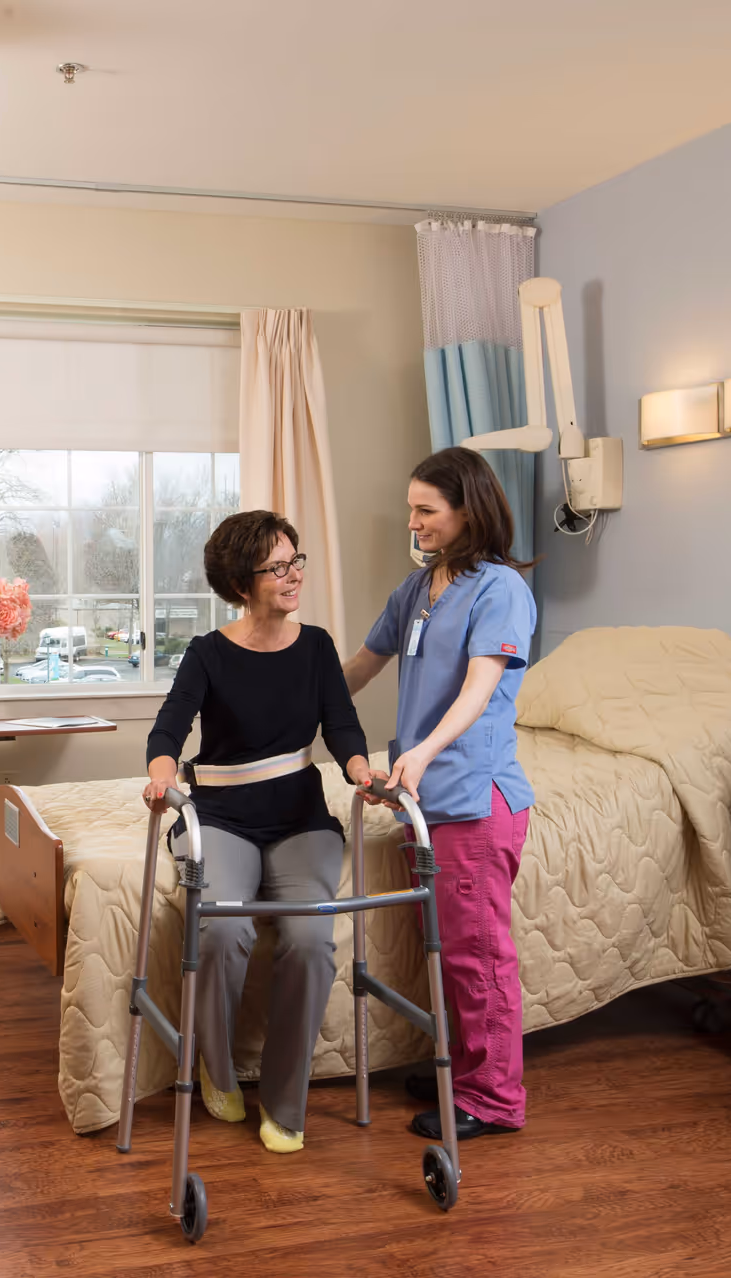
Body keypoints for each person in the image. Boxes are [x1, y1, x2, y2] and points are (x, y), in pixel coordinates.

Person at [145, 511, 374, 1154]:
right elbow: (168, 733)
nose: (293, 574)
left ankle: (285, 1103)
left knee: (309, 938)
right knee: (220, 927)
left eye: (295, 560)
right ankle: (216, 1069)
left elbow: (343, 726)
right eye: (278, 567)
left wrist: (360, 769)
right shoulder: (209, 654)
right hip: (224, 819)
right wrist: (162, 775)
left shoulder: (319, 646)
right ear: (242, 584)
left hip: (301, 820)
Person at [342, 446, 537, 1142]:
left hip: (472, 797)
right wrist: (289, 705)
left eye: (427, 511)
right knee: (444, 947)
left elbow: (480, 686)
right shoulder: (416, 589)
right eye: (411, 510)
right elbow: (360, 668)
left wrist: (421, 752)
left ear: (467, 510)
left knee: (477, 952)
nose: (414, 523)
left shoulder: (500, 590)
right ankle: (461, 1065)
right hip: (421, 800)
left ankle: (492, 1098)